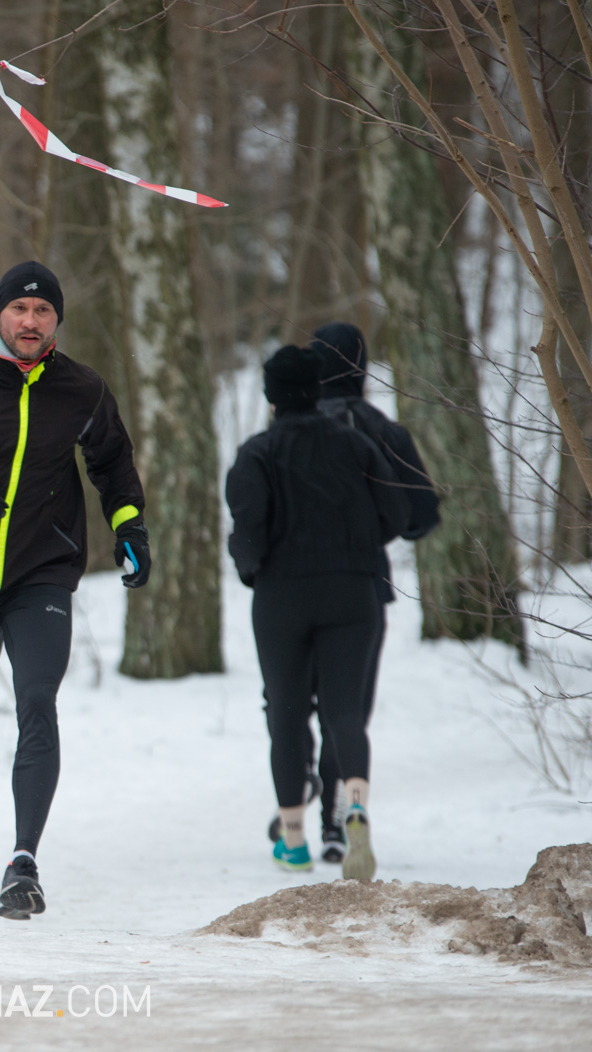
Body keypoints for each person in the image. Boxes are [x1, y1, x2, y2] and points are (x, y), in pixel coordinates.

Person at [0, 261, 149, 920]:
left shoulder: (82, 389)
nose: (31, 321)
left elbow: (112, 464)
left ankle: (23, 864)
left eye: (43, 311)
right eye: (19, 309)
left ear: (57, 320)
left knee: (38, 698)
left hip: (45, 566)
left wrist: (130, 526)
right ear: (0, 314)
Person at [226, 344, 408, 880]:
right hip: (352, 591)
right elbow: (396, 513)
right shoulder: (355, 444)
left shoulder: (257, 453)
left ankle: (293, 841)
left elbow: (248, 528)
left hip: (282, 596)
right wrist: (356, 546)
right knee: (344, 712)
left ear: (271, 396)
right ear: (316, 389)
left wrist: (252, 569)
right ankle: (355, 807)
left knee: (286, 713)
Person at [265, 322, 441, 861]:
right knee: (346, 707)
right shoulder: (380, 431)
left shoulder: (284, 428)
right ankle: (338, 814)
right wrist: (367, 535)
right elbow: (419, 516)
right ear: (361, 367)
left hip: (285, 588)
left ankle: (297, 788)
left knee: (287, 701)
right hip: (361, 585)